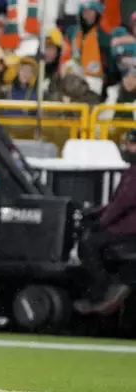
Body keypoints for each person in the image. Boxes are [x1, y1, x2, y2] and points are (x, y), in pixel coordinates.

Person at [73, 129, 136, 315]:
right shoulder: (131, 171)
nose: (127, 148)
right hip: (126, 223)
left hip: (129, 227)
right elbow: (117, 202)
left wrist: (101, 222)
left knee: (88, 244)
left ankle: (104, 288)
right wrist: (95, 212)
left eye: (131, 144)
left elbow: (123, 203)